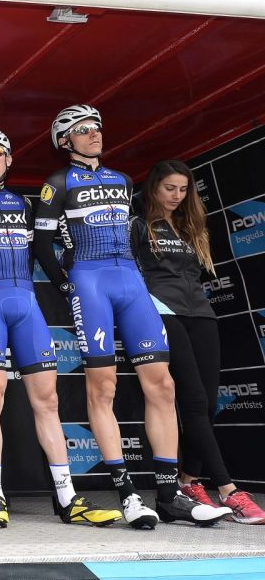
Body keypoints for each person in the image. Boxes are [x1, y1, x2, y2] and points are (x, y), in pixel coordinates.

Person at [33, 104, 228, 527]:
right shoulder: (58, 182)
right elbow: (41, 243)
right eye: (83, 129)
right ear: (64, 140)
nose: (94, 134)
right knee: (103, 386)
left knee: (164, 386)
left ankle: (168, 495)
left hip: (131, 283)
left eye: (97, 127)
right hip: (90, 281)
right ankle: (127, 494)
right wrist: (66, 285)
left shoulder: (123, 180)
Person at [0, 128, 122, 528]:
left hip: (27, 303)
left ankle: (68, 497)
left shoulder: (25, 203)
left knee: (49, 401)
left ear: (9, 159)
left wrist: (67, 278)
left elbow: (47, 247)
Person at [132, 160, 263, 524]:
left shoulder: (191, 226)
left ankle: (188, 481)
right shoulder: (138, 225)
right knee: (191, 399)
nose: (176, 195)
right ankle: (229, 490)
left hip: (202, 313)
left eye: (183, 189)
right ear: (153, 187)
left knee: (205, 405)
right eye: (169, 188)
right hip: (162, 310)